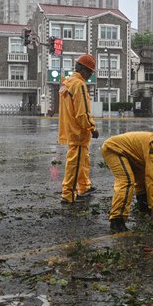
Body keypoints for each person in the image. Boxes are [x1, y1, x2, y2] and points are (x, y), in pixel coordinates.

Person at [59, 54, 99, 204]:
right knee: (75, 164)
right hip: (79, 132)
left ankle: (84, 187)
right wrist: (92, 127)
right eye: (89, 72)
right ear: (83, 70)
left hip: (70, 129)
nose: (90, 76)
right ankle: (68, 194)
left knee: (82, 161)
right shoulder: (79, 85)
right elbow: (82, 112)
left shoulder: (66, 83)